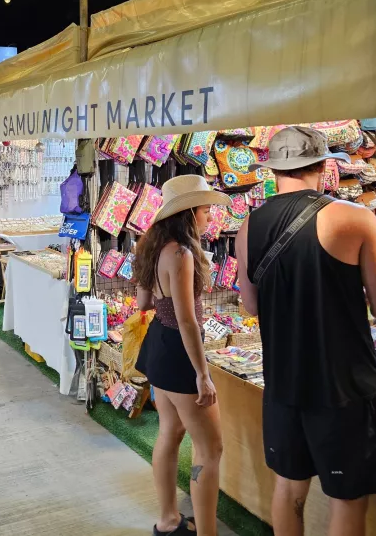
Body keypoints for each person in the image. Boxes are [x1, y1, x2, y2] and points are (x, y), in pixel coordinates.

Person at [234, 126, 376, 536]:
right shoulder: (355, 218)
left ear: (273, 169)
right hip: (343, 386)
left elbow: (251, 306)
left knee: (289, 486)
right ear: (325, 166)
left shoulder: (247, 227)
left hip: (283, 383)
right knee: (347, 498)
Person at [134, 175, 231, 536]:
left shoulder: (151, 246)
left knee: (169, 433)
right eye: (206, 210)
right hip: (179, 352)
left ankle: (168, 520)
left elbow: (144, 303)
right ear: (189, 212)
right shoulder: (181, 253)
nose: (209, 217)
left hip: (158, 347)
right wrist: (202, 373)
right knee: (210, 449)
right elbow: (188, 321)